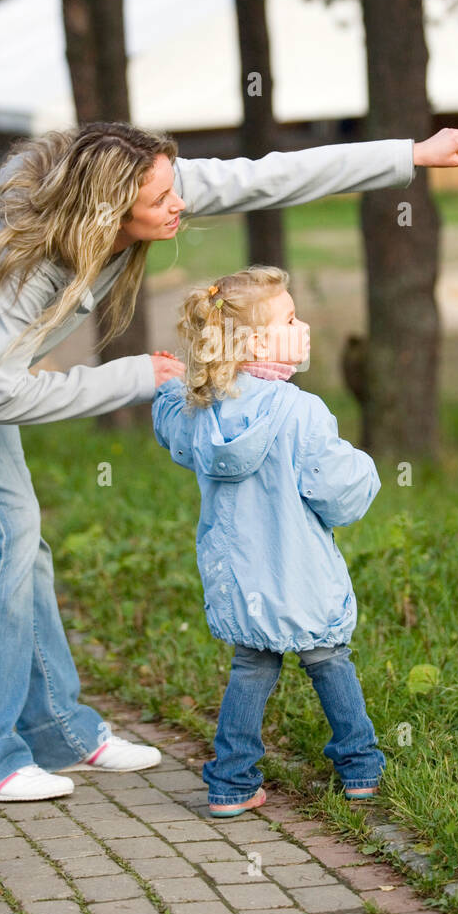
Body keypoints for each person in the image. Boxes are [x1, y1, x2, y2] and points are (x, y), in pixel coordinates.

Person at [0, 117, 458, 804]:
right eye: (161, 202)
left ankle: (60, 731)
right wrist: (134, 377)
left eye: (172, 188)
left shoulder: (142, 191)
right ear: (107, 207)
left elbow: (268, 175)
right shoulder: (23, 253)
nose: (177, 206)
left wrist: (413, 152)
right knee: (3, 532)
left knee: (21, 538)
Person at [152, 265, 384, 816]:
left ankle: (232, 782)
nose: (300, 325)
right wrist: (365, 469)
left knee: (252, 665)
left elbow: (172, 427)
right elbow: (337, 489)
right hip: (299, 571)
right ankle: (360, 766)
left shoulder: (203, 407)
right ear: (257, 340)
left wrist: (166, 387)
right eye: (290, 317)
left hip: (240, 575)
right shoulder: (301, 412)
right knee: (328, 657)